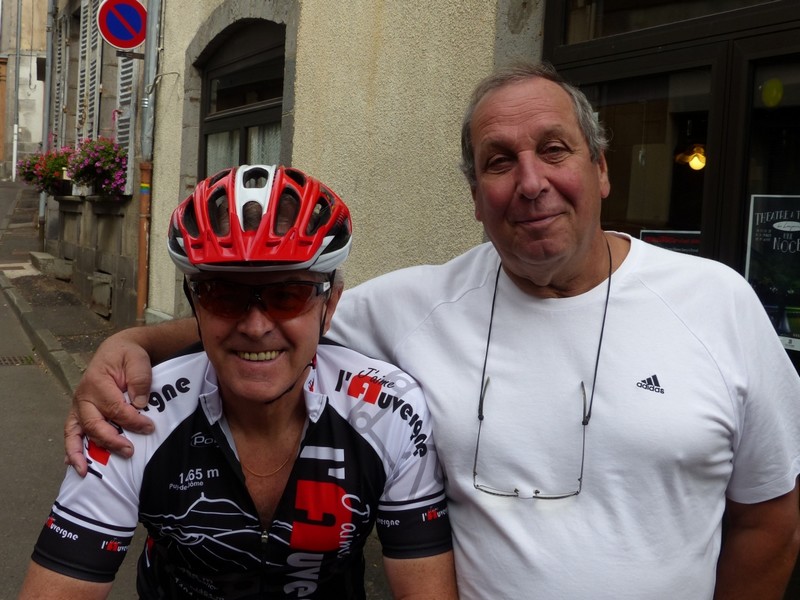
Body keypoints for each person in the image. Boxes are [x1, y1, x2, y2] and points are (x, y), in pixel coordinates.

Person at [65, 63, 800, 599]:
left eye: (554, 149)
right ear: (476, 197)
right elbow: (268, 322)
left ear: (601, 169)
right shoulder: (416, 304)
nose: (531, 183)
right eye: (499, 162)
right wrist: (129, 347)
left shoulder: (718, 303)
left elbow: (769, 519)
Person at [22, 165, 457, 599]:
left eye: (287, 295)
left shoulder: (388, 410)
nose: (255, 326)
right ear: (195, 303)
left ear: (331, 305)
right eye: (223, 294)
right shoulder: (136, 414)